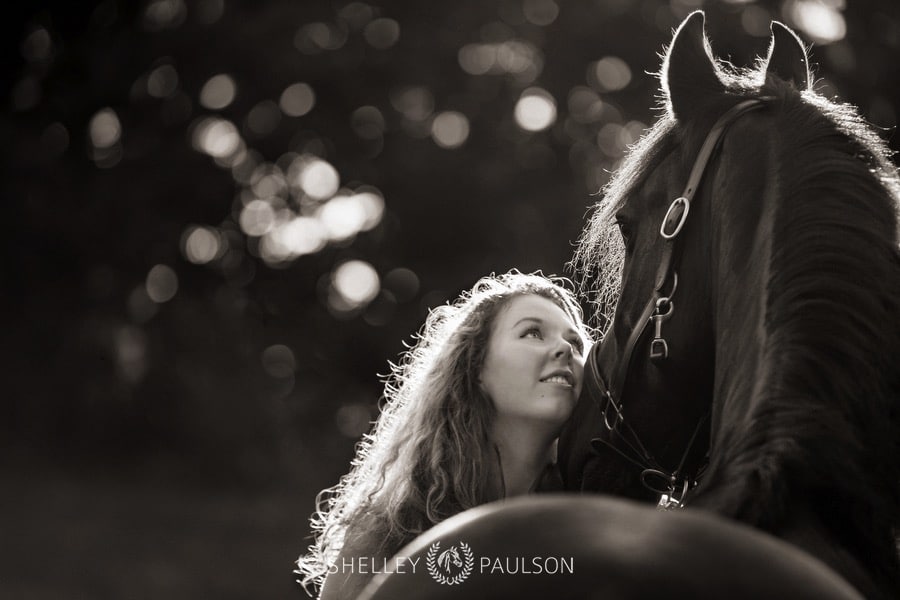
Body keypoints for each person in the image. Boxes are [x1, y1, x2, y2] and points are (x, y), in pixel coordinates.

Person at [296, 271, 593, 599]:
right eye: (533, 332)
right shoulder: (390, 530)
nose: (564, 349)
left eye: (576, 342)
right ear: (475, 367)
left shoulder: (596, 518)